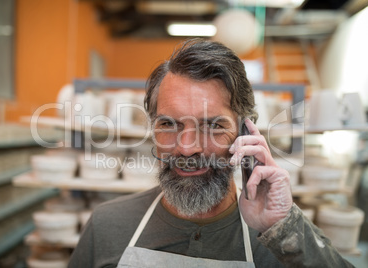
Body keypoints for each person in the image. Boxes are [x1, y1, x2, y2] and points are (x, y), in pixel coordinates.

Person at [68, 39, 353, 267]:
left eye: (213, 125)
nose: (187, 147)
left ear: (245, 132)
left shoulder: (281, 242)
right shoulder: (107, 226)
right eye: (169, 124)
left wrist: (284, 227)